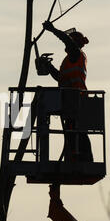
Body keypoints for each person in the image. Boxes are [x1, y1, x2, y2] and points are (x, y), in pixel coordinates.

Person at [35, 21, 93, 163]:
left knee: (76, 131)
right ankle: (74, 157)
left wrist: (52, 29)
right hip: (70, 98)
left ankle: (80, 158)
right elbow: (60, 78)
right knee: (72, 131)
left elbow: (66, 39)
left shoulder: (76, 54)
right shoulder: (70, 59)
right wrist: (49, 67)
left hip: (76, 98)